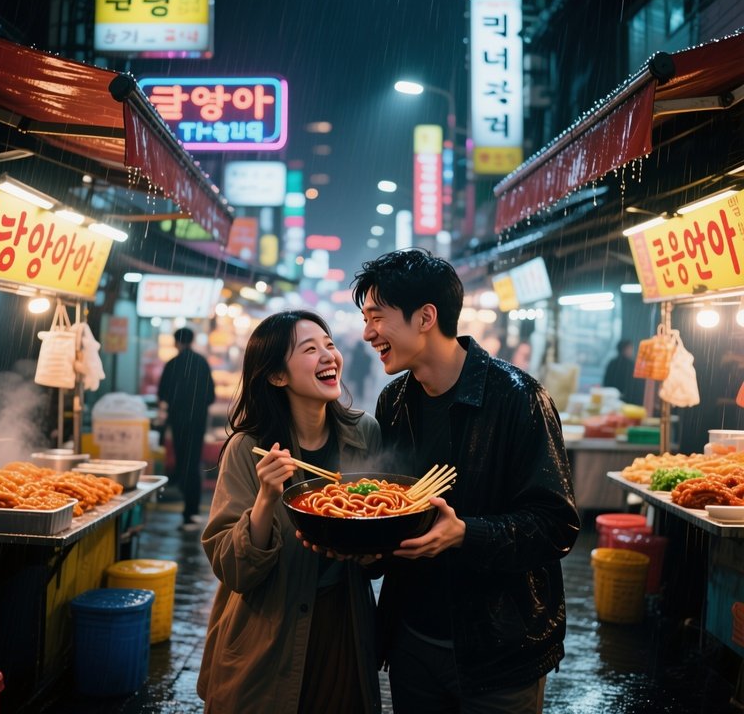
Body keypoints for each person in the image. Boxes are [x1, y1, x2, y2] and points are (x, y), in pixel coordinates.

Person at [352, 249, 580, 714]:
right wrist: (359, 541)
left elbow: (556, 524)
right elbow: (390, 508)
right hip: (411, 640)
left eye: (377, 317)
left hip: (499, 649)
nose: (367, 333)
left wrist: (465, 534)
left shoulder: (518, 398)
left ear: (425, 317)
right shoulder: (393, 401)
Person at [197, 310, 382, 713]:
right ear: (278, 376)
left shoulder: (364, 433)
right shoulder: (250, 448)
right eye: (310, 349)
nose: (329, 356)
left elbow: (377, 538)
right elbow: (233, 569)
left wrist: (371, 550)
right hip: (267, 628)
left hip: (343, 626)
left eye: (330, 344)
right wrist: (266, 497)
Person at [157, 327, 216, 531]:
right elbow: (210, 396)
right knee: (193, 464)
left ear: (176, 342)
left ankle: (188, 512)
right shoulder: (201, 363)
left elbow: (163, 394)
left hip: (178, 423)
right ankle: (192, 512)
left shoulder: (172, 364)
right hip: (197, 423)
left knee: (184, 463)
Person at [603, 338, 644, 404]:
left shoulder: (612, 362)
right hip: (626, 400)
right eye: (630, 348)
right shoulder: (631, 364)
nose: (632, 351)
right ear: (624, 349)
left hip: (610, 399)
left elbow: (605, 382)